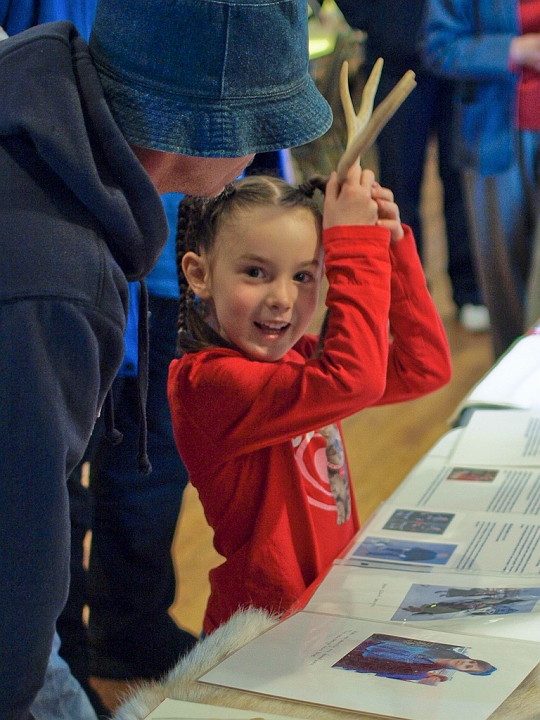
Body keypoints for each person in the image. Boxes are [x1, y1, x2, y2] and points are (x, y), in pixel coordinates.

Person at [0, 0, 334, 716]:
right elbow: (15, 567)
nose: (261, 152)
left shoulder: (39, 93)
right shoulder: (58, 280)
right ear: (200, 122)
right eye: (259, 126)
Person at [167, 164, 452, 635]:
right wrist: (355, 247)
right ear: (200, 275)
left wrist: (392, 243)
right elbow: (355, 380)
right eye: (255, 272)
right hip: (260, 634)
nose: (282, 297)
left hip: (323, 613)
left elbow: (423, 367)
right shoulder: (209, 385)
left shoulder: (299, 360)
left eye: (304, 275)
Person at [335, 0, 489, 333]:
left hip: (457, 59)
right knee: (398, 187)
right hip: (394, 61)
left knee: (460, 180)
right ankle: (410, 301)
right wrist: (373, 20)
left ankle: (470, 292)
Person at [423, 0, 540, 357]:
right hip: (493, 137)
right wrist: (515, 50)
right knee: (504, 278)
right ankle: (509, 387)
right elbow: (438, 47)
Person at [335, 634, 496, 683]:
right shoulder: (440, 647)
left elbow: (381, 674)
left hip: (347, 658)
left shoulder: (420, 672)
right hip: (358, 638)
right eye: (471, 662)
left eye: (468, 668)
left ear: (464, 672)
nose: (465, 663)